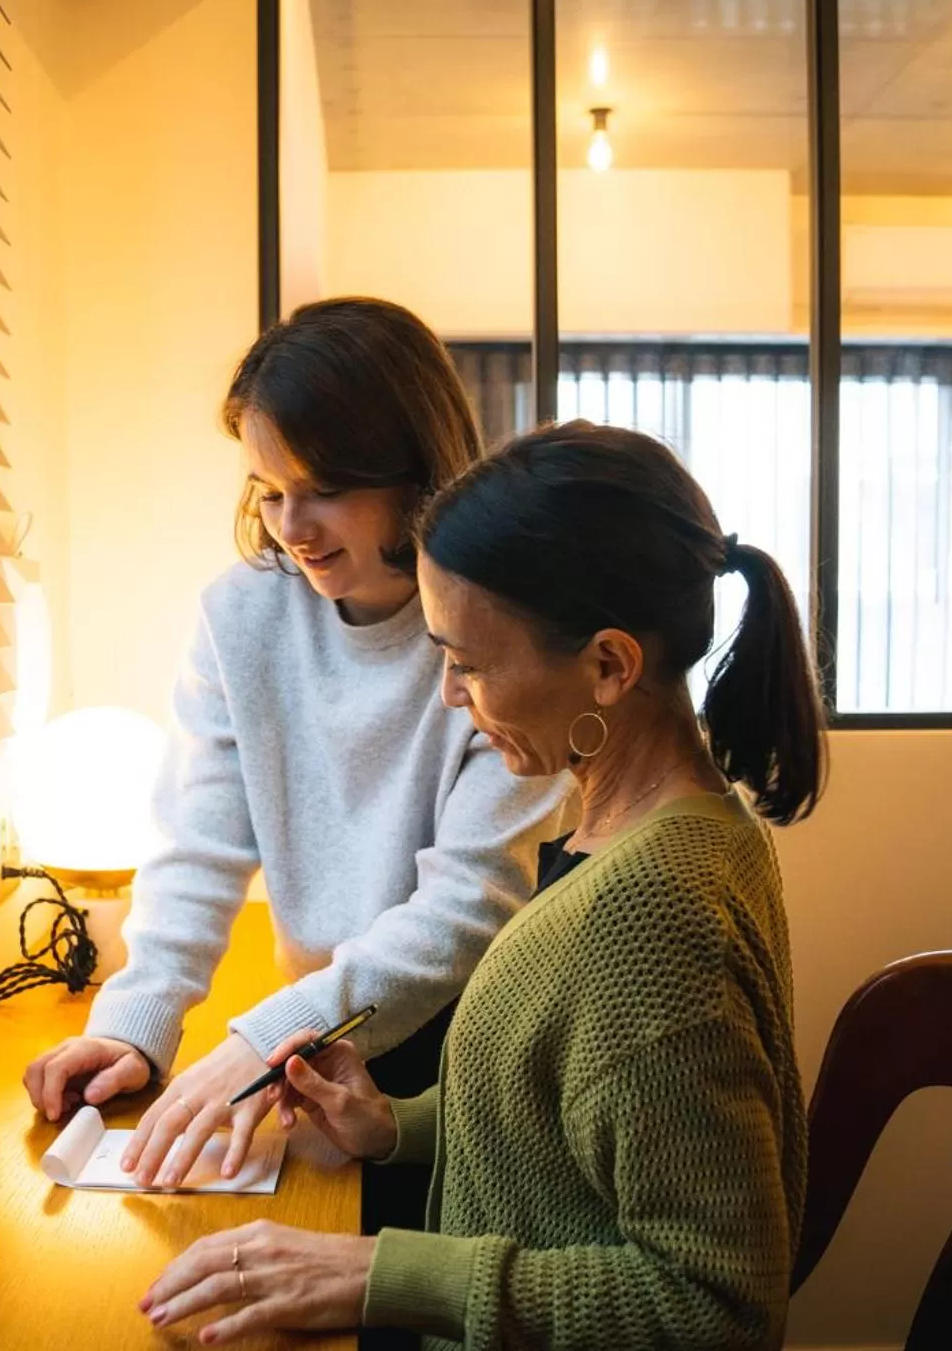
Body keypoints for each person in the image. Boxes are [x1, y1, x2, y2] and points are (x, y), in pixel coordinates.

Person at [138, 421, 827, 1349]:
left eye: (466, 664)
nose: (452, 699)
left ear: (609, 664)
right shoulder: (651, 827)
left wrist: (383, 1271)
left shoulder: (649, 911)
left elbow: (716, 1309)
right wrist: (395, 1126)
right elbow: (572, 1128)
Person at [22, 298, 570, 1212]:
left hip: (470, 1047)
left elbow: (469, 903)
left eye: (320, 488)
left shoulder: (496, 625)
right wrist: (135, 1023)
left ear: (411, 469)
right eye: (267, 491)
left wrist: (268, 1034)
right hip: (311, 1034)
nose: (292, 525)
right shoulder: (240, 614)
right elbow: (199, 839)